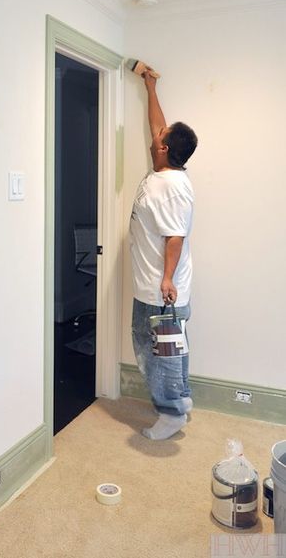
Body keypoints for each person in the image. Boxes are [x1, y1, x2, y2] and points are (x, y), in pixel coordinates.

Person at [129, 68, 198, 440]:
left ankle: (170, 414)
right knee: (171, 349)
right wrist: (150, 86)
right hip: (156, 286)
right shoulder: (165, 172)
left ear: (163, 148)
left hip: (160, 290)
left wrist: (166, 279)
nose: (157, 133)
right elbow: (160, 125)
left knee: (156, 352)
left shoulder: (169, 187)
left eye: (160, 136)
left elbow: (176, 236)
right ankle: (180, 402)